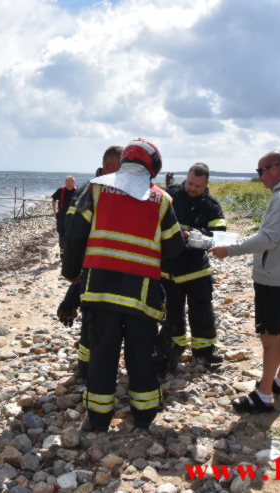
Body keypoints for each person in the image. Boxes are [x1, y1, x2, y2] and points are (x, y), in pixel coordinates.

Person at [62, 138, 185, 432]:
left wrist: (71, 272)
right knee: (140, 353)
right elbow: (174, 249)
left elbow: (75, 232)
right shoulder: (163, 200)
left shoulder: (95, 188)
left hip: (99, 290)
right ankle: (143, 415)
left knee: (103, 353)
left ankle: (98, 419)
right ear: (153, 167)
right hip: (141, 296)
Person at [209, 151, 280, 412]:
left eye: (260, 171)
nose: (259, 176)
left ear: (275, 169)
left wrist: (229, 249)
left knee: (270, 335)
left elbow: (268, 239)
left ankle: (264, 394)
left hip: (271, 277)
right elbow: (271, 235)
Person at [57, 145, 123, 380]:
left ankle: (90, 367)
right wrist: (71, 271)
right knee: (92, 318)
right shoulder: (91, 190)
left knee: (101, 318)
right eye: (123, 167)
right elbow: (73, 231)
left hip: (113, 267)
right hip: (93, 265)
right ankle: (86, 368)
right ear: (110, 166)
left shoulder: (118, 189)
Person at [162, 162, 227, 370]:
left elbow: (220, 235)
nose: (192, 188)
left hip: (197, 269)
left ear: (206, 184)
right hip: (168, 269)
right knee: (172, 312)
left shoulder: (212, 205)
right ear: (186, 178)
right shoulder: (169, 195)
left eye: (197, 186)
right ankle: (174, 348)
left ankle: (204, 351)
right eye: (190, 183)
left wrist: (196, 235)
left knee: (202, 312)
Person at [52, 176, 77, 262]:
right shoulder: (60, 190)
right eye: (68, 181)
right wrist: (54, 211)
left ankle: (70, 253)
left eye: (71, 181)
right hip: (62, 217)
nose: (70, 183)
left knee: (72, 235)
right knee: (62, 235)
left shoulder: (77, 192)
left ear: (74, 182)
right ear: (65, 182)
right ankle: (62, 253)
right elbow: (53, 199)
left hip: (73, 218)